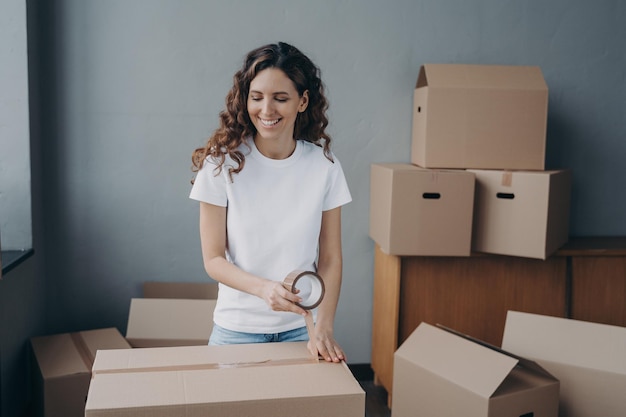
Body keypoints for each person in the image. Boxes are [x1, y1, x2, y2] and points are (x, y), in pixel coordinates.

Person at [189, 42, 352, 363]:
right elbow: (213, 259)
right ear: (245, 98)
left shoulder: (325, 167)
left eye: (280, 98)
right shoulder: (221, 164)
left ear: (302, 101)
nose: (266, 110)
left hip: (301, 327)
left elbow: (331, 258)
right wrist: (264, 289)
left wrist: (324, 327)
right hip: (236, 329)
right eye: (257, 97)